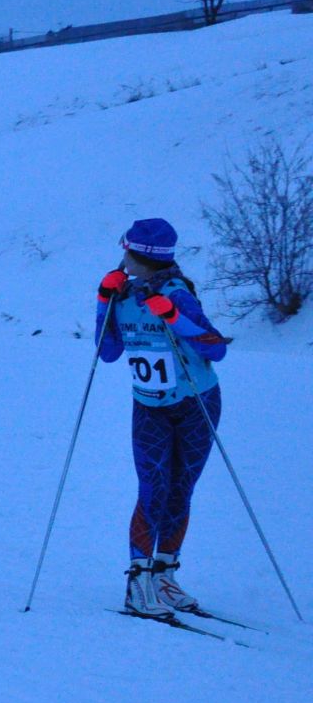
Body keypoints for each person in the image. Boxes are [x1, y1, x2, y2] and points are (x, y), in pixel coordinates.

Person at [96, 217, 228, 619]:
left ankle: (165, 576)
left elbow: (215, 348)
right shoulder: (122, 295)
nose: (122, 258)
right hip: (149, 405)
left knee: (180, 488)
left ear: (141, 255)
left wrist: (173, 316)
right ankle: (138, 582)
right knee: (152, 487)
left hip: (196, 403)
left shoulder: (178, 293)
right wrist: (103, 299)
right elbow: (107, 351)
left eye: (127, 251)